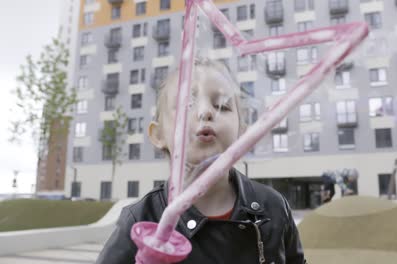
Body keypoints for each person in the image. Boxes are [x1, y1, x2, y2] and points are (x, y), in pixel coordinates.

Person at [97, 58, 305, 264]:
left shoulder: (273, 207)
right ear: (158, 134)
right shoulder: (141, 220)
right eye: (186, 104)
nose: (205, 112)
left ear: (242, 134)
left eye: (222, 106)